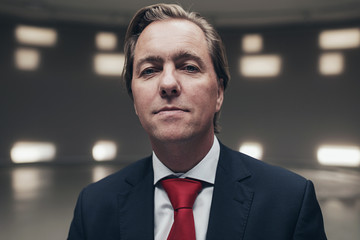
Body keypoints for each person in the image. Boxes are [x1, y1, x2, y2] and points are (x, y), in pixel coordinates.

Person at [68, 3, 327, 240]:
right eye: (150, 70)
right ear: (134, 100)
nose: (168, 83)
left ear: (219, 93)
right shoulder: (93, 207)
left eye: (189, 67)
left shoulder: (290, 202)